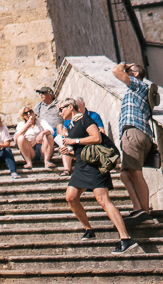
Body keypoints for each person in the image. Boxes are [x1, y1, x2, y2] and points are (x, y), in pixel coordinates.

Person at [59, 98, 140, 254]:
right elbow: (84, 148)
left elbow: (97, 138)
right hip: (82, 166)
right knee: (71, 197)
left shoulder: (85, 119)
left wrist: (73, 140)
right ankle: (89, 229)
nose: (60, 112)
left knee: (103, 200)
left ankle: (126, 238)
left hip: (94, 166)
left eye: (61, 109)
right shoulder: (72, 124)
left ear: (70, 107)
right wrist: (69, 150)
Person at [113, 61, 156, 224]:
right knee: (125, 174)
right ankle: (138, 208)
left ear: (136, 74)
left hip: (134, 131)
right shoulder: (139, 89)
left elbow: (116, 72)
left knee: (135, 173)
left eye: (130, 71)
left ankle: (144, 211)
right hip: (134, 133)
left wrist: (123, 64)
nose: (126, 71)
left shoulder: (138, 85)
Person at [14, 105, 56, 171]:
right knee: (20, 138)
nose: (29, 114)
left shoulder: (41, 121)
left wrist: (42, 133)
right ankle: (29, 162)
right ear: (23, 116)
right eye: (26, 113)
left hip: (43, 148)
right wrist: (27, 126)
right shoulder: (21, 124)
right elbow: (16, 138)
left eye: (30, 111)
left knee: (49, 135)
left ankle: (47, 161)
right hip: (30, 150)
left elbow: (51, 130)